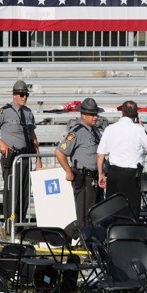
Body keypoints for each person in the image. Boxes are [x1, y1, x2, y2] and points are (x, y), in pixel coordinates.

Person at [0, 79, 39, 226]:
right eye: (21, 94)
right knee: (12, 191)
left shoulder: (28, 113)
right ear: (14, 95)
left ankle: (20, 223)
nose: (24, 97)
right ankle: (10, 225)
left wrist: (38, 158)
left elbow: (33, 136)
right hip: (12, 157)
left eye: (26, 94)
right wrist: (1, 143)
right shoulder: (4, 111)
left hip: (25, 156)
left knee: (25, 192)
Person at [97, 100, 147, 221]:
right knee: (130, 210)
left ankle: (113, 235)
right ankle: (129, 236)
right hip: (131, 175)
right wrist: (144, 129)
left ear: (122, 112)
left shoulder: (110, 128)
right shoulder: (138, 130)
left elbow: (100, 155)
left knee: (113, 210)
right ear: (136, 114)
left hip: (113, 173)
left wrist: (101, 174)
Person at [55, 97, 105, 227]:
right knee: (84, 213)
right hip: (84, 178)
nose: (95, 117)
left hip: (95, 177)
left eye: (96, 114)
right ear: (83, 115)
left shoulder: (95, 131)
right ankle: (84, 240)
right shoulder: (76, 132)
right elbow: (59, 152)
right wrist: (68, 171)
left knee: (97, 212)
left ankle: (94, 240)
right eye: (92, 114)